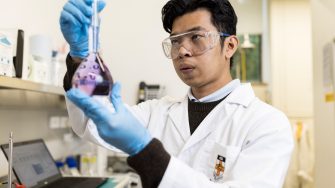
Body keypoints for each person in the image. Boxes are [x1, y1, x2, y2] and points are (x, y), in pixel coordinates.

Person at [60, 0, 294, 187]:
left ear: (230, 46)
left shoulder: (267, 124)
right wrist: (83, 55)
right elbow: (94, 121)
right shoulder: (157, 112)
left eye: (196, 38)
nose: (182, 50)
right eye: (175, 41)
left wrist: (146, 150)